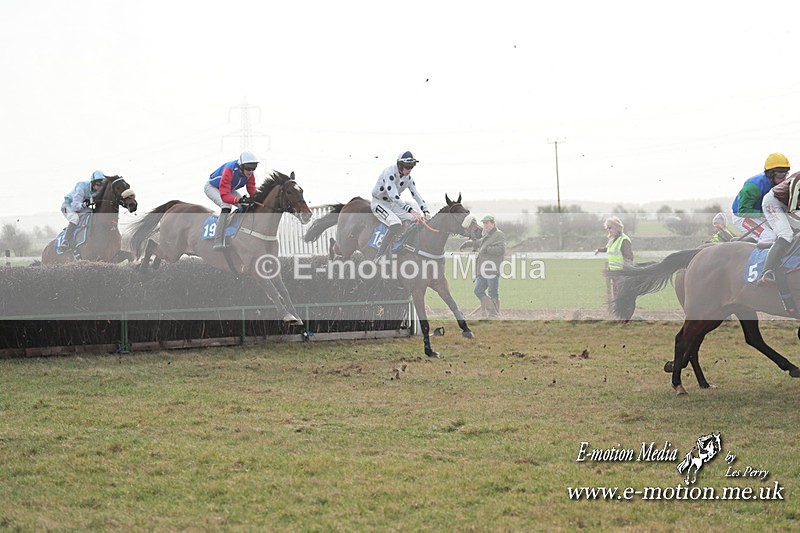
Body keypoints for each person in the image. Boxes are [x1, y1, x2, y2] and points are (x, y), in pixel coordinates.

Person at [371, 151, 431, 261]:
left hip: (392, 204)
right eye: (407, 167)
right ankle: (379, 256)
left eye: (411, 167)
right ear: (399, 165)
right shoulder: (389, 173)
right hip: (379, 203)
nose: (409, 170)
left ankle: (402, 245)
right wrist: (411, 210)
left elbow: (416, 195)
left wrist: (426, 211)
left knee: (416, 219)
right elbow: (393, 195)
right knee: (396, 224)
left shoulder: (408, 179)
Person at [757, 171, 800, 316]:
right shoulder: (799, 179)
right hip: (774, 204)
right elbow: (794, 209)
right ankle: (767, 272)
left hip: (787, 206)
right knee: (786, 235)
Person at [731, 153, 791, 243]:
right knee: (769, 237)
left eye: (785, 174)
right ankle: (757, 257)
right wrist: (766, 214)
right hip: (742, 216)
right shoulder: (753, 186)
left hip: (761, 214)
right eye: (780, 175)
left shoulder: (778, 184)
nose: (783, 179)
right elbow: (742, 211)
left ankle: (749, 241)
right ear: (771, 174)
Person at [206, 151, 259, 250]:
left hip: (229, 188)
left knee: (245, 206)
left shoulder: (250, 174)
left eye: (254, 168)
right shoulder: (229, 169)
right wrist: (239, 199)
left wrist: (257, 200)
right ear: (241, 166)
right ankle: (218, 241)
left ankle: (233, 232)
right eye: (248, 168)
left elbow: (252, 189)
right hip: (213, 187)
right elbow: (225, 197)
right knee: (226, 206)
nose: (250, 171)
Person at [459, 215, 507, 318]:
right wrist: (467, 244)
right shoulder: (487, 235)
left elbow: (501, 250)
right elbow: (479, 243)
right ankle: (493, 311)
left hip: (492, 268)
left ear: (493, 223)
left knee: (492, 292)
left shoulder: (499, 234)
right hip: (482, 269)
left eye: (487, 223)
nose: (485, 225)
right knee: (478, 291)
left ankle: (493, 314)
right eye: (484, 223)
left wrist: (486, 249)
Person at [59, 170, 105, 251]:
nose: (100, 188)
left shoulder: (97, 190)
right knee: (74, 219)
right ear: (93, 183)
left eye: (102, 186)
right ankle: (65, 241)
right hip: (68, 206)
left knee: (92, 214)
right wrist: (85, 204)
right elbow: (75, 207)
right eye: (98, 185)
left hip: (80, 207)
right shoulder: (81, 187)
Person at [595, 216, 634, 302]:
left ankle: (623, 313)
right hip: (614, 273)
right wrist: (599, 250)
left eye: (610, 228)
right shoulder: (613, 240)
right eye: (607, 228)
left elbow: (629, 257)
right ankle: (618, 313)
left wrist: (626, 272)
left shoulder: (624, 240)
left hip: (621, 273)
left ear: (617, 228)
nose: (608, 230)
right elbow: (608, 249)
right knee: (616, 296)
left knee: (621, 296)